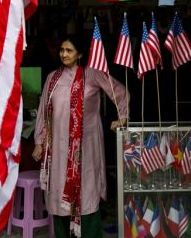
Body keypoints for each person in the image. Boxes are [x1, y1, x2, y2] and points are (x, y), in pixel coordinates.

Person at [32, 36, 129, 238]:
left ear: (80, 54)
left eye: (69, 50)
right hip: (57, 150)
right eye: (62, 50)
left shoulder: (92, 75)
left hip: (85, 149)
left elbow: (120, 92)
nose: (64, 54)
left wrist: (122, 117)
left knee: (86, 195)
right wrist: (39, 142)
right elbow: (43, 112)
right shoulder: (52, 78)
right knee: (58, 196)